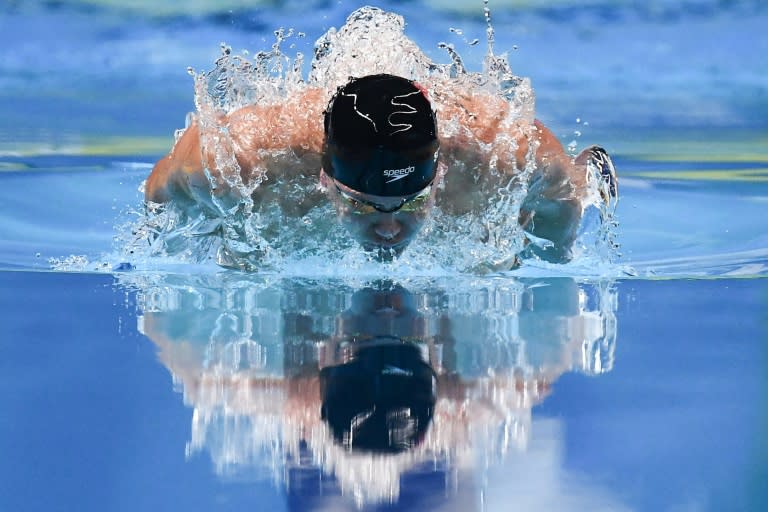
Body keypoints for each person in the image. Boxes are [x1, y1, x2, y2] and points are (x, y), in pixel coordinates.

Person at [146, 69, 616, 264]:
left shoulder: (506, 156)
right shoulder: (239, 162)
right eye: (364, 206)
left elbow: (563, 201)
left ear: (441, 167)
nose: (389, 228)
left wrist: (547, 262)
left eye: (410, 201)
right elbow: (158, 194)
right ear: (324, 173)